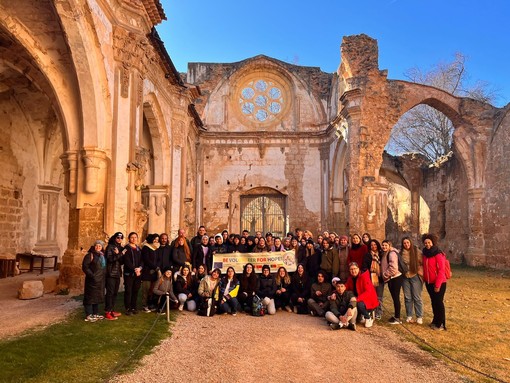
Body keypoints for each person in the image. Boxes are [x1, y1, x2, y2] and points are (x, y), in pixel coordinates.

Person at [422, 233, 447, 331]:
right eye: (425, 243)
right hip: (429, 282)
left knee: (439, 303)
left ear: (433, 242)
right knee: (433, 302)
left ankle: (441, 324)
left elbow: (441, 270)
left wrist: (438, 284)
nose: (427, 244)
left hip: (439, 283)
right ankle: (435, 320)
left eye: (429, 242)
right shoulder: (425, 254)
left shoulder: (438, 253)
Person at [345, 262, 378, 328]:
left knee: (359, 304)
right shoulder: (350, 278)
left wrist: (357, 298)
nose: (353, 271)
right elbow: (345, 287)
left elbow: (368, 291)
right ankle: (360, 315)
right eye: (351, 269)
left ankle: (368, 317)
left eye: (355, 268)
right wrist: (335, 292)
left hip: (368, 299)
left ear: (358, 269)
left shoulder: (364, 276)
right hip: (359, 298)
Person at [400, 237, 424, 324]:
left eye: (407, 242)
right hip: (405, 277)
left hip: (415, 275)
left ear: (410, 243)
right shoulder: (401, 253)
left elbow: (422, 261)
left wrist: (418, 268)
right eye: (404, 243)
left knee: (417, 297)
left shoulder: (416, 251)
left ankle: (419, 316)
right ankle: (409, 315)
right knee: (407, 297)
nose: (406, 244)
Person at [82, 240, 107, 322]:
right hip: (92, 280)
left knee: (96, 297)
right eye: (97, 246)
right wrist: (92, 276)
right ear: (94, 246)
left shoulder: (102, 255)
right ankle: (89, 314)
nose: (98, 247)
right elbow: (85, 267)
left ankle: (95, 313)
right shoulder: (90, 255)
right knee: (89, 297)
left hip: (100, 280)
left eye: (100, 246)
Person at [381, 239, 403, 324]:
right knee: (394, 297)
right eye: (383, 245)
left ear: (389, 245)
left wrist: (385, 274)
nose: (384, 247)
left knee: (396, 297)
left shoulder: (392, 253)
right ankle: (396, 316)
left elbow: (393, 267)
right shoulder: (387, 253)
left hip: (395, 277)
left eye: (386, 245)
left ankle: (397, 318)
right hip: (392, 278)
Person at [362, 239, 384, 320]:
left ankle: (379, 312)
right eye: (371, 245)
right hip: (370, 277)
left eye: (375, 245)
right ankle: (371, 311)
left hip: (380, 277)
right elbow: (364, 266)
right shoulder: (367, 255)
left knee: (379, 296)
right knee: (371, 295)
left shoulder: (381, 254)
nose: (373, 246)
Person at [104, 232, 124, 320]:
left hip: (117, 273)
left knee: (115, 293)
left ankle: (112, 310)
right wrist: (119, 254)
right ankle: (107, 312)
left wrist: (119, 253)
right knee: (110, 293)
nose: (119, 239)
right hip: (110, 273)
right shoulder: (110, 247)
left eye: (121, 238)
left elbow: (122, 261)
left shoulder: (119, 248)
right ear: (114, 238)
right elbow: (110, 259)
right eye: (118, 237)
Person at [123, 232, 142, 315]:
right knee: (128, 291)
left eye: (135, 237)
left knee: (135, 290)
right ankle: (128, 308)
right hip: (129, 273)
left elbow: (142, 260)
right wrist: (135, 269)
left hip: (138, 274)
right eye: (132, 237)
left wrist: (140, 268)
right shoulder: (126, 248)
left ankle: (134, 307)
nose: (134, 239)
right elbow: (126, 261)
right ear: (129, 238)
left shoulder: (138, 248)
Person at [141, 233, 160, 312]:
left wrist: (156, 267)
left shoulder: (156, 248)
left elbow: (158, 259)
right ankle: (144, 305)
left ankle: (150, 304)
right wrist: (155, 267)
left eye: (157, 239)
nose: (156, 241)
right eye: (155, 239)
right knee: (146, 289)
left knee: (152, 290)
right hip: (147, 271)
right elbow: (146, 260)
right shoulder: (146, 247)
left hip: (154, 272)